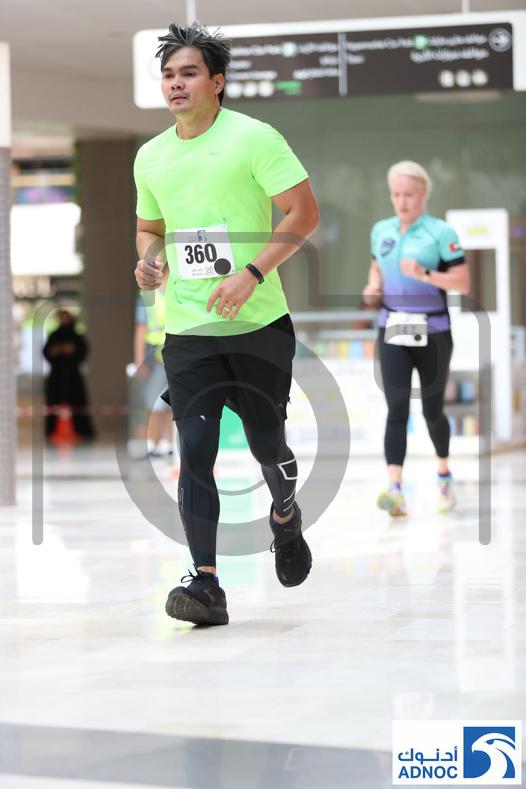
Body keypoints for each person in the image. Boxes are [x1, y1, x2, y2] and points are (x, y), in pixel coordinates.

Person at [134, 23, 319, 625]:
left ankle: (285, 515)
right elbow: (151, 228)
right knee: (195, 451)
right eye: (168, 75)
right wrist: (149, 260)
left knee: (268, 445)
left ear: (216, 82)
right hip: (189, 331)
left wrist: (252, 273)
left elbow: (303, 212)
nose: (176, 84)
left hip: (259, 326)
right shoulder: (151, 156)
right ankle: (206, 582)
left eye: (188, 73)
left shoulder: (254, 138)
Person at [363, 161, 470, 517]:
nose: (402, 201)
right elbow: (376, 266)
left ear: (423, 194)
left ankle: (443, 474)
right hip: (392, 327)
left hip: (433, 332)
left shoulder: (440, 232)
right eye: (396, 194)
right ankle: (395, 488)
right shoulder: (381, 230)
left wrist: (425, 273)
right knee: (396, 409)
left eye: (409, 194)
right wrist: (373, 286)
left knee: (432, 411)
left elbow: (462, 282)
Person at [134, 277, 173, 457]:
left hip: (169, 356)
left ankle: (163, 444)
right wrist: (140, 360)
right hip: (158, 357)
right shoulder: (150, 296)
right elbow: (141, 329)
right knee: (158, 403)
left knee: (164, 404)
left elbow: (141, 329)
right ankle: (156, 443)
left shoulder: (173, 291)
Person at [43, 309, 95, 440]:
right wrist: (55, 351)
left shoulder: (77, 336)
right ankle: (51, 431)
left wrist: (72, 351)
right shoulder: (54, 335)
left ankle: (83, 432)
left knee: (78, 404)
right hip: (56, 376)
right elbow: (46, 351)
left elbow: (83, 352)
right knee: (53, 404)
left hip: (73, 376)